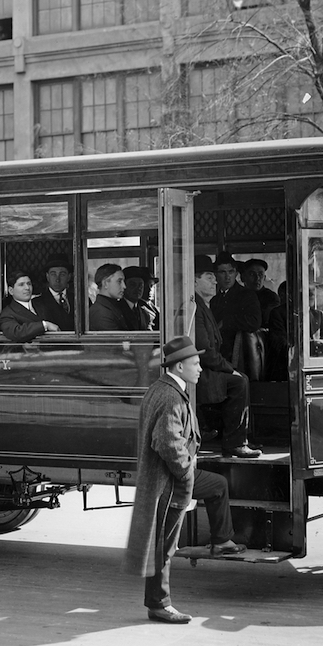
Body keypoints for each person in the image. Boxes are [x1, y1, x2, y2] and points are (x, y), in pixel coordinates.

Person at [122, 335, 246, 625]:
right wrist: (186, 472)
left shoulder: (163, 389)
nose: (201, 368)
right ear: (179, 368)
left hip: (167, 479)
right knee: (165, 547)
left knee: (166, 543)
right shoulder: (170, 395)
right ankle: (159, 605)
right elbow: (167, 442)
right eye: (195, 363)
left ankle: (159, 602)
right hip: (170, 482)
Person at [194, 255, 261, 459]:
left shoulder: (203, 304)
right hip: (198, 371)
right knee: (238, 382)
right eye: (210, 277)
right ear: (195, 281)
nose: (216, 280)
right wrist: (228, 368)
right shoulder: (197, 307)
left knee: (240, 379)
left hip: (203, 367)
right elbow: (205, 350)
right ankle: (234, 443)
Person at [211, 252, 261, 362]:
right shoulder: (215, 301)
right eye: (222, 272)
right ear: (216, 275)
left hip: (241, 356)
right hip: (219, 354)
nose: (227, 277)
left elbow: (255, 322)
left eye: (231, 272)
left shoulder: (247, 295)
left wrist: (226, 322)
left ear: (236, 273)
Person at [0, 269, 60, 342]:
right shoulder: (7, 314)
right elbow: (16, 332)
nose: (27, 288)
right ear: (11, 290)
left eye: (29, 284)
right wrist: (45, 325)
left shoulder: (42, 304)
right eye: (21, 285)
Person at [33, 255, 74, 332]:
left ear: (69, 277)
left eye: (62, 274)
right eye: (53, 274)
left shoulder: (81, 300)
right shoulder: (36, 303)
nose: (57, 279)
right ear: (47, 276)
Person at [88, 263, 129, 331]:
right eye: (119, 281)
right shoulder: (100, 313)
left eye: (123, 281)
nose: (124, 286)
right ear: (105, 283)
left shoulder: (111, 307)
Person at [241, 258, 281, 323]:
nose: (257, 278)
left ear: (264, 278)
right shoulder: (238, 296)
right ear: (243, 277)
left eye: (260, 274)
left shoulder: (271, 297)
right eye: (252, 274)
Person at [122, 266, 158, 331]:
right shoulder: (116, 309)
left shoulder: (144, 312)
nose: (138, 288)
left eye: (140, 285)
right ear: (124, 286)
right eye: (132, 285)